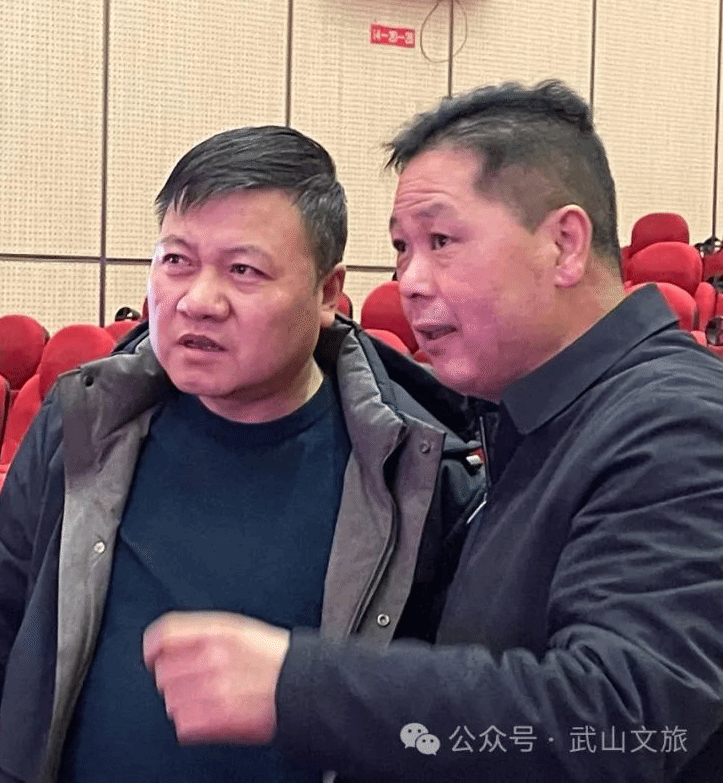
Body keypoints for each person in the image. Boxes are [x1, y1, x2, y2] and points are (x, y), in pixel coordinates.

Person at [0, 126, 484, 782]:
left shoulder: (416, 473)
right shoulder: (87, 424)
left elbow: (451, 728)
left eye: (244, 270)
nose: (198, 301)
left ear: (327, 293)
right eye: (176, 261)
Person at [142, 81, 723, 782]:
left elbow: (624, 725)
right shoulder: (519, 421)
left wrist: (297, 686)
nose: (409, 281)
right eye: (401, 248)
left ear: (565, 245)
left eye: (440, 241)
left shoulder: (680, 425)